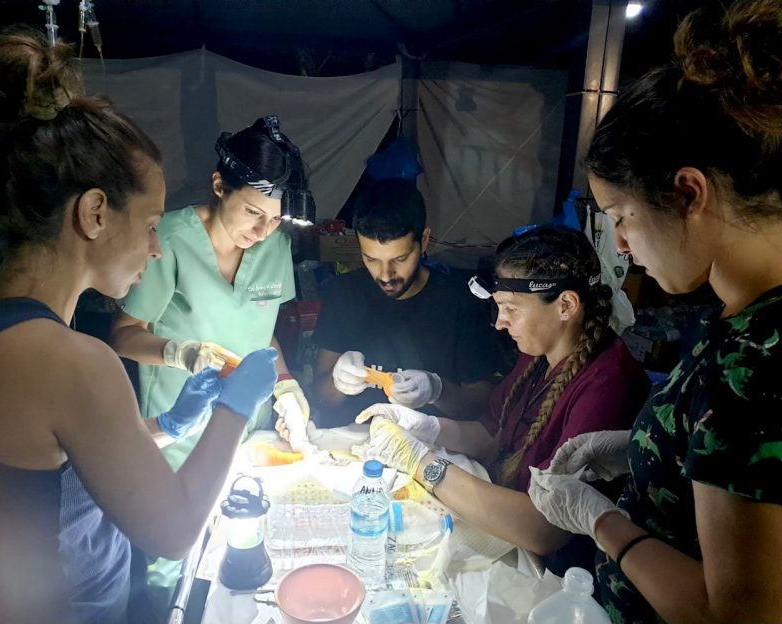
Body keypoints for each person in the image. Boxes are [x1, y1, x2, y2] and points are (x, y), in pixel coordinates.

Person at [0, 32, 277, 624]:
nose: (156, 248)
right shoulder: (69, 360)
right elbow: (173, 529)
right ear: (93, 213)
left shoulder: (2, 328)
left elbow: (57, 471)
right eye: (147, 224)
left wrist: (165, 426)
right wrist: (235, 407)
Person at [527, 2, 782, 622]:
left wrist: (602, 520)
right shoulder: (736, 311)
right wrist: (645, 448)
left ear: (689, 193)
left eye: (619, 218)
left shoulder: (753, 362)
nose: (619, 246)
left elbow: (734, 614)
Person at [357, 225, 649, 575]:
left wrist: (424, 464)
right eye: (498, 308)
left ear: (566, 305)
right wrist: (425, 427)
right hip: (506, 529)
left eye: (510, 308)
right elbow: (492, 433)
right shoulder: (539, 353)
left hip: (556, 571)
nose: (499, 323)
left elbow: (545, 531)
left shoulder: (608, 384)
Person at [110, 116, 311, 612]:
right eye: (252, 213)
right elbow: (123, 336)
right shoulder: (172, 240)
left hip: (250, 433)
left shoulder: (274, 245)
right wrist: (180, 353)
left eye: (275, 220)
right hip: (179, 436)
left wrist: (285, 386)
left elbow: (265, 337)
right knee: (176, 570)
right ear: (219, 185)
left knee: (245, 568)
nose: (262, 232)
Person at [310, 178, 500, 427]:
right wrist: (337, 383)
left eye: (400, 258)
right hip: (353, 444)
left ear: (424, 239)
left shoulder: (459, 302)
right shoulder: (344, 294)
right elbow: (320, 398)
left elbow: (479, 405)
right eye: (372, 259)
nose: (386, 275)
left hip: (431, 447)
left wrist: (437, 391)